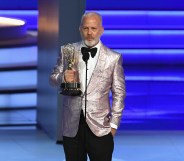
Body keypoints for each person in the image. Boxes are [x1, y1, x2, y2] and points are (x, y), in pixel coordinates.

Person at [50, 12, 126, 161]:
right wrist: (62, 77)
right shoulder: (67, 51)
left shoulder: (113, 58)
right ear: (80, 29)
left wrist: (113, 125)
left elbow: (119, 93)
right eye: (86, 28)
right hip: (72, 127)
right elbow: (52, 79)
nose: (89, 33)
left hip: (100, 128)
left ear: (101, 30)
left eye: (93, 28)